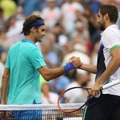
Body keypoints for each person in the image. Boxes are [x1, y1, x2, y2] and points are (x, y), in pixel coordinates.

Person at [1, 15, 82, 120]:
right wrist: (70, 66)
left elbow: (5, 76)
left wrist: (4, 103)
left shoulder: (13, 48)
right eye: (42, 30)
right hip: (29, 107)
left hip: (12, 106)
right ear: (33, 30)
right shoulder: (33, 49)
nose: (44, 34)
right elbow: (47, 75)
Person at [78, 4, 120, 120]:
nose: (97, 20)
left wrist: (99, 82)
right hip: (116, 95)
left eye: (99, 16)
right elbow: (107, 67)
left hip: (106, 93)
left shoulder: (109, 33)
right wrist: (81, 66)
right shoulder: (116, 35)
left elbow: (118, 58)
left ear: (106, 16)